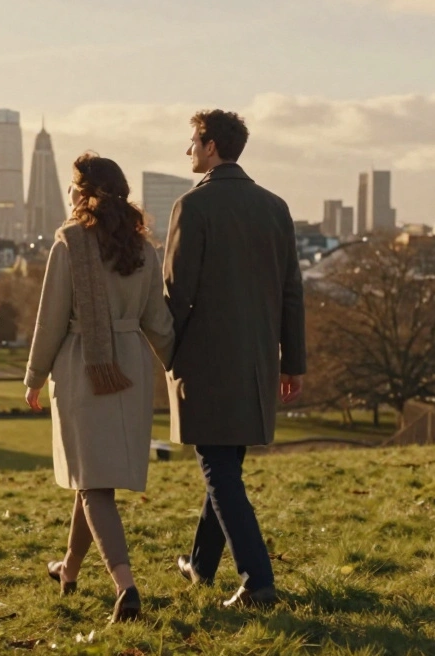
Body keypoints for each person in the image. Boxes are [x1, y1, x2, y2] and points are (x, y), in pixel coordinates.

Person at [163, 109, 306, 608]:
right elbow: (292, 292)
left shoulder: (192, 207)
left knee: (218, 468)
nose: (188, 152)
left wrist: (162, 352)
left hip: (207, 362)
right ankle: (201, 565)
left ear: (210, 145)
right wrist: (293, 362)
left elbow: (176, 295)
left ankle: (257, 581)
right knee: (224, 465)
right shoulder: (275, 207)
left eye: (192, 142)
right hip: (259, 362)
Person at [24, 152, 174, 623]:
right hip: (130, 367)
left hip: (83, 365)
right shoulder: (142, 248)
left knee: (92, 482)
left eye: (72, 185)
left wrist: (33, 376)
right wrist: (179, 366)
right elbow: (159, 322)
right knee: (93, 477)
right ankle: (68, 569)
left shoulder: (69, 243)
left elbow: (51, 320)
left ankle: (125, 586)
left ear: (84, 192)